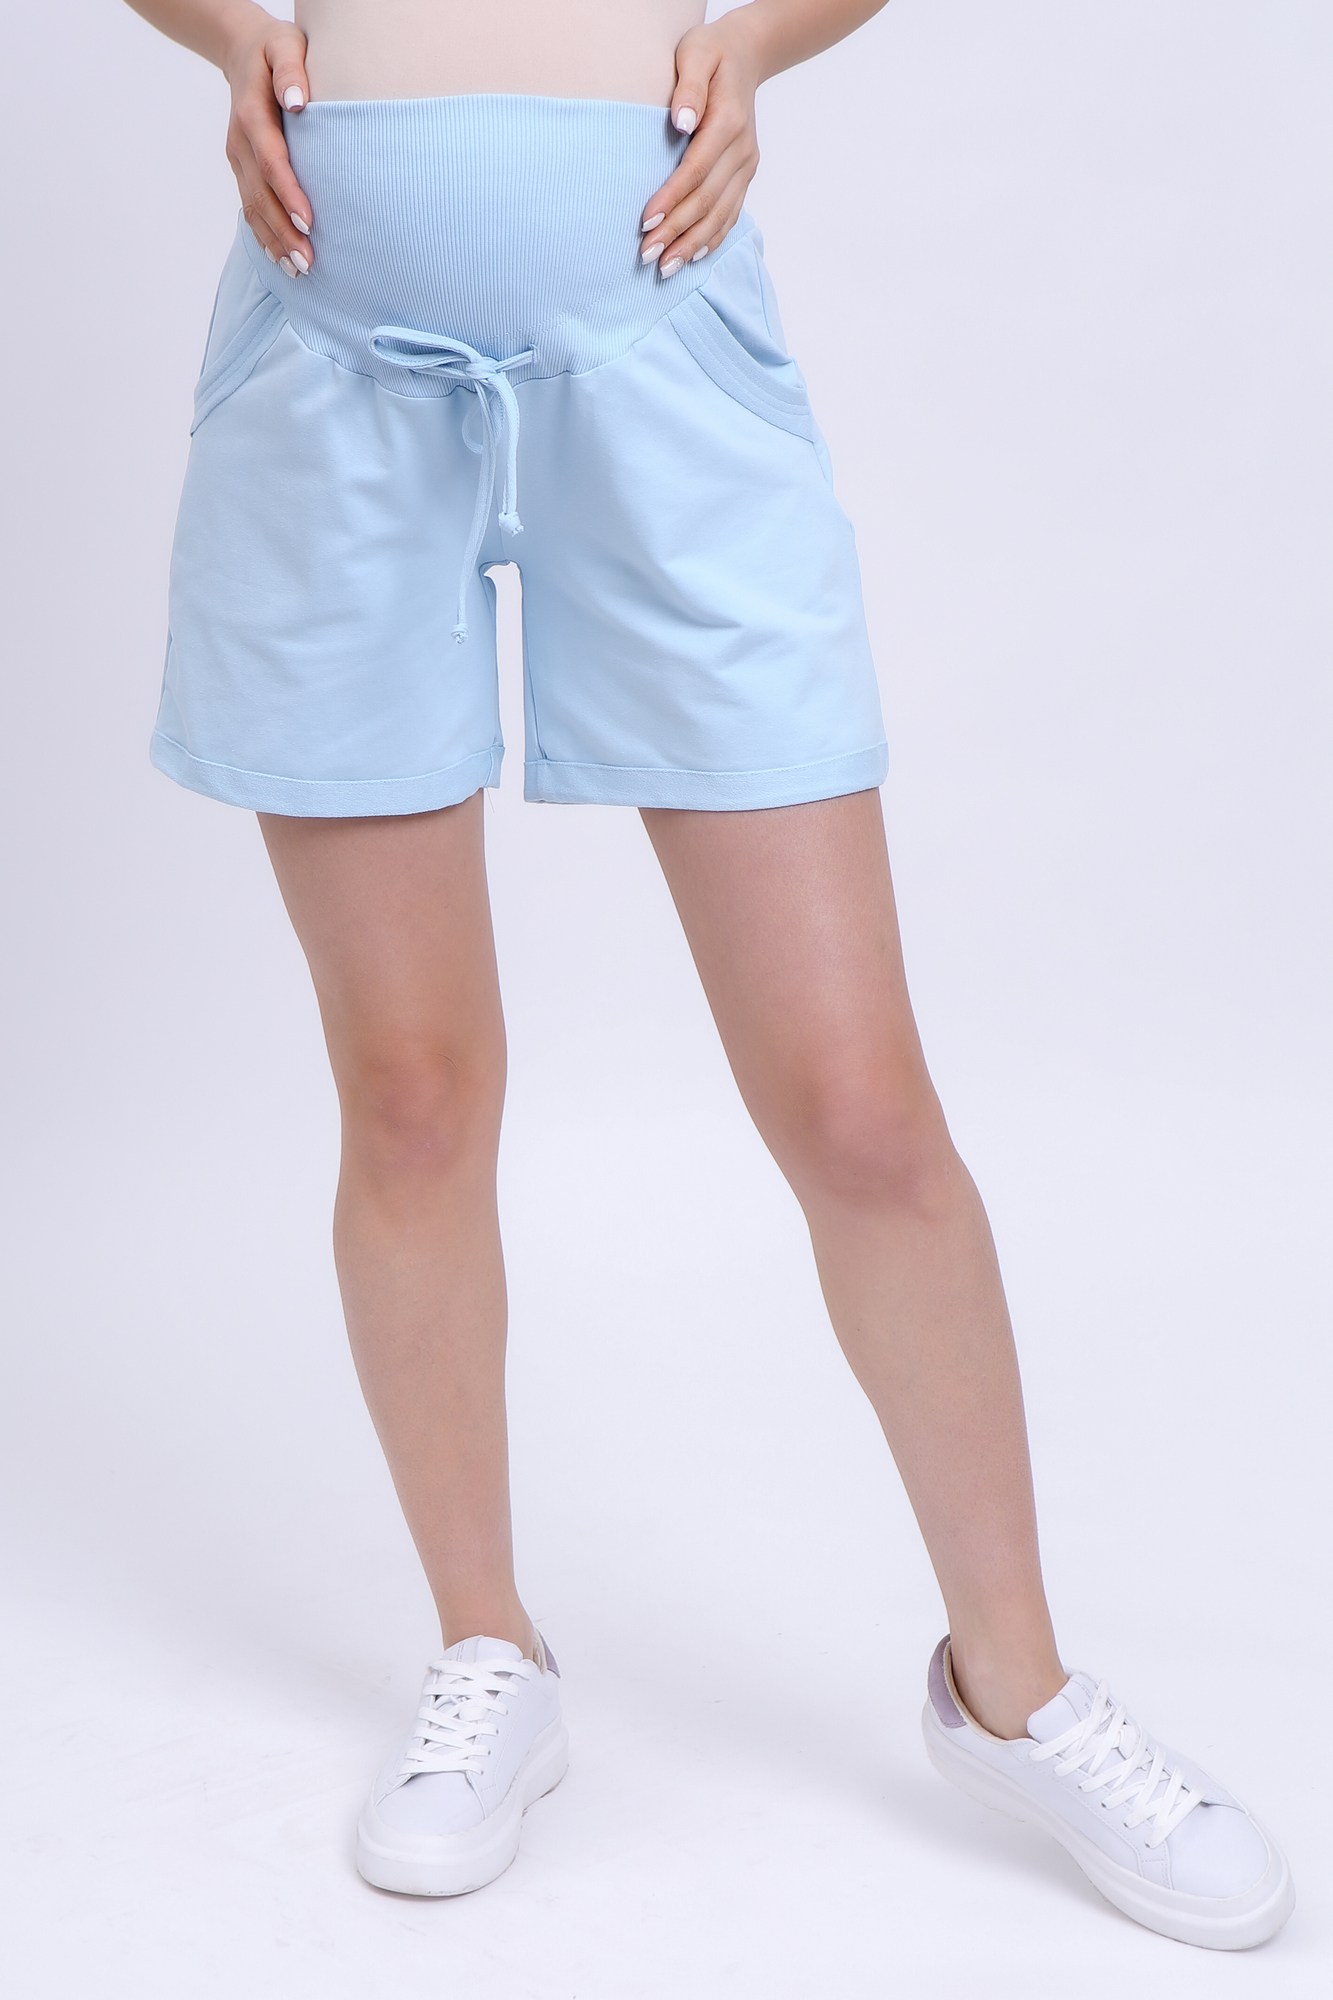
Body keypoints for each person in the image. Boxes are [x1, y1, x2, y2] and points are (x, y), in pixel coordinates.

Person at [127, 0, 1292, 1948]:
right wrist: (228, 33)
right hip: (326, 351)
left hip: (658, 333)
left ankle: (1017, 1688)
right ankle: (486, 1646)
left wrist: (750, 47)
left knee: (859, 1108)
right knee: (409, 1094)